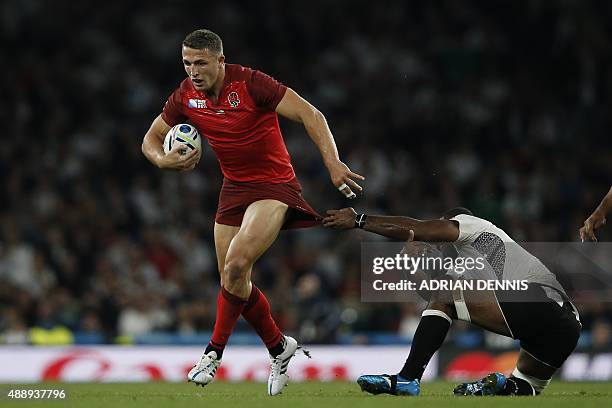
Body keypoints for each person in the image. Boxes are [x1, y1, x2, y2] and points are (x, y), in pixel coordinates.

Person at [141, 29, 364, 396]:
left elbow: (312, 114)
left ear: (220, 61)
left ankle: (213, 353)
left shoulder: (251, 84)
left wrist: (334, 163)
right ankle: (279, 347)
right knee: (233, 283)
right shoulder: (185, 94)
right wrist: (163, 161)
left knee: (235, 264)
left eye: (200, 62)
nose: (193, 70)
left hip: (274, 186)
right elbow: (149, 139)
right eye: (187, 63)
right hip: (234, 189)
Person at [323, 207, 581, 397]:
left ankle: (407, 378)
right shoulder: (464, 265)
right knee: (523, 387)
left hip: (542, 300)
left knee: (444, 295)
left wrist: (359, 220)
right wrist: (409, 263)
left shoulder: (471, 225)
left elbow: (420, 228)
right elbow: (433, 300)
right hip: (568, 326)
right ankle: (500, 385)